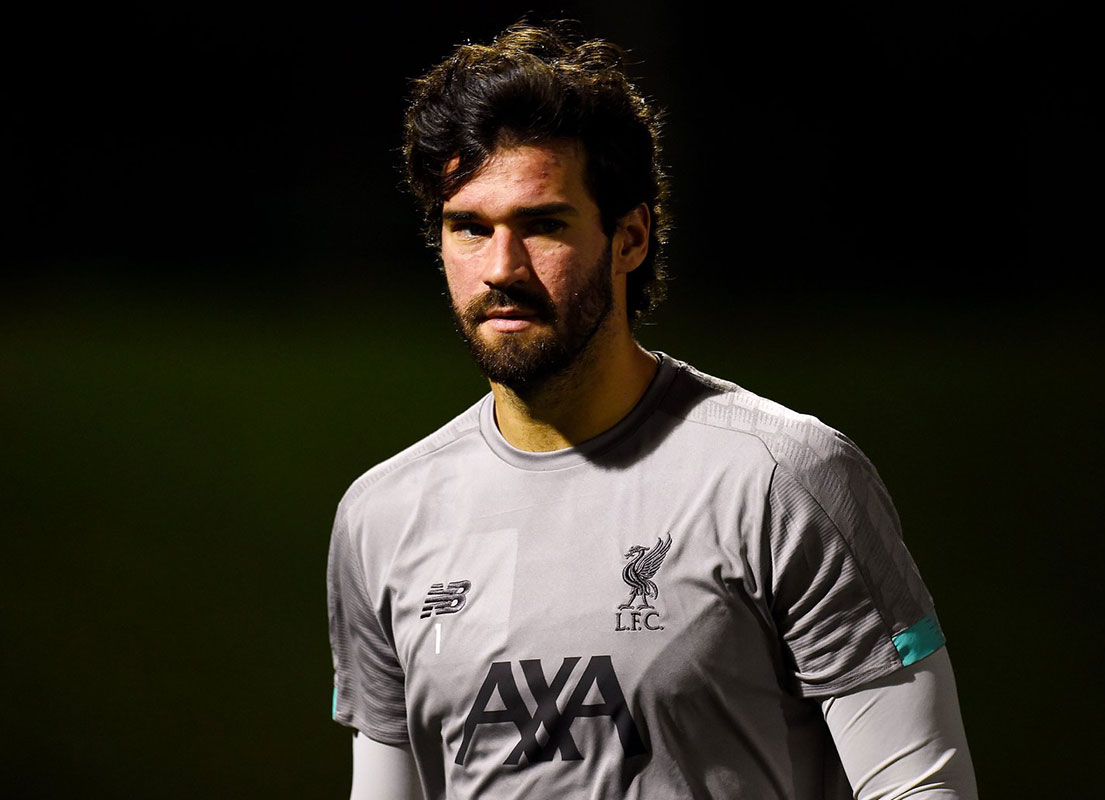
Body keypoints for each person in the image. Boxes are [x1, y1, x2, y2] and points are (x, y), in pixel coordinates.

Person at [327, 22, 978, 800]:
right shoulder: (383, 518)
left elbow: (921, 789)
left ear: (630, 237)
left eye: (543, 225)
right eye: (469, 227)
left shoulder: (783, 481)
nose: (500, 268)